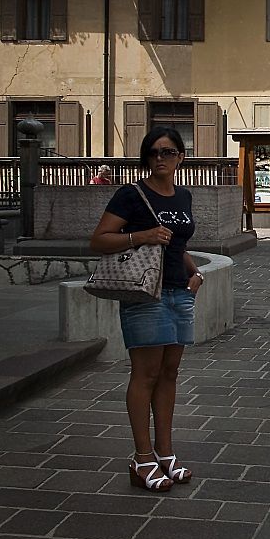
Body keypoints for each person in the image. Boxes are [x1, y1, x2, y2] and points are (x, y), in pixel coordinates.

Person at [89, 126, 201, 493]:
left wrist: (194, 272)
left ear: (181, 157)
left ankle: (166, 453)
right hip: (144, 295)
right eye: (153, 152)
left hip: (179, 293)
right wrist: (142, 235)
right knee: (146, 374)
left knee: (169, 374)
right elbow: (100, 240)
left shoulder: (183, 196)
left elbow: (175, 244)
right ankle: (142, 458)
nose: (160, 158)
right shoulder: (131, 195)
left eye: (168, 152)